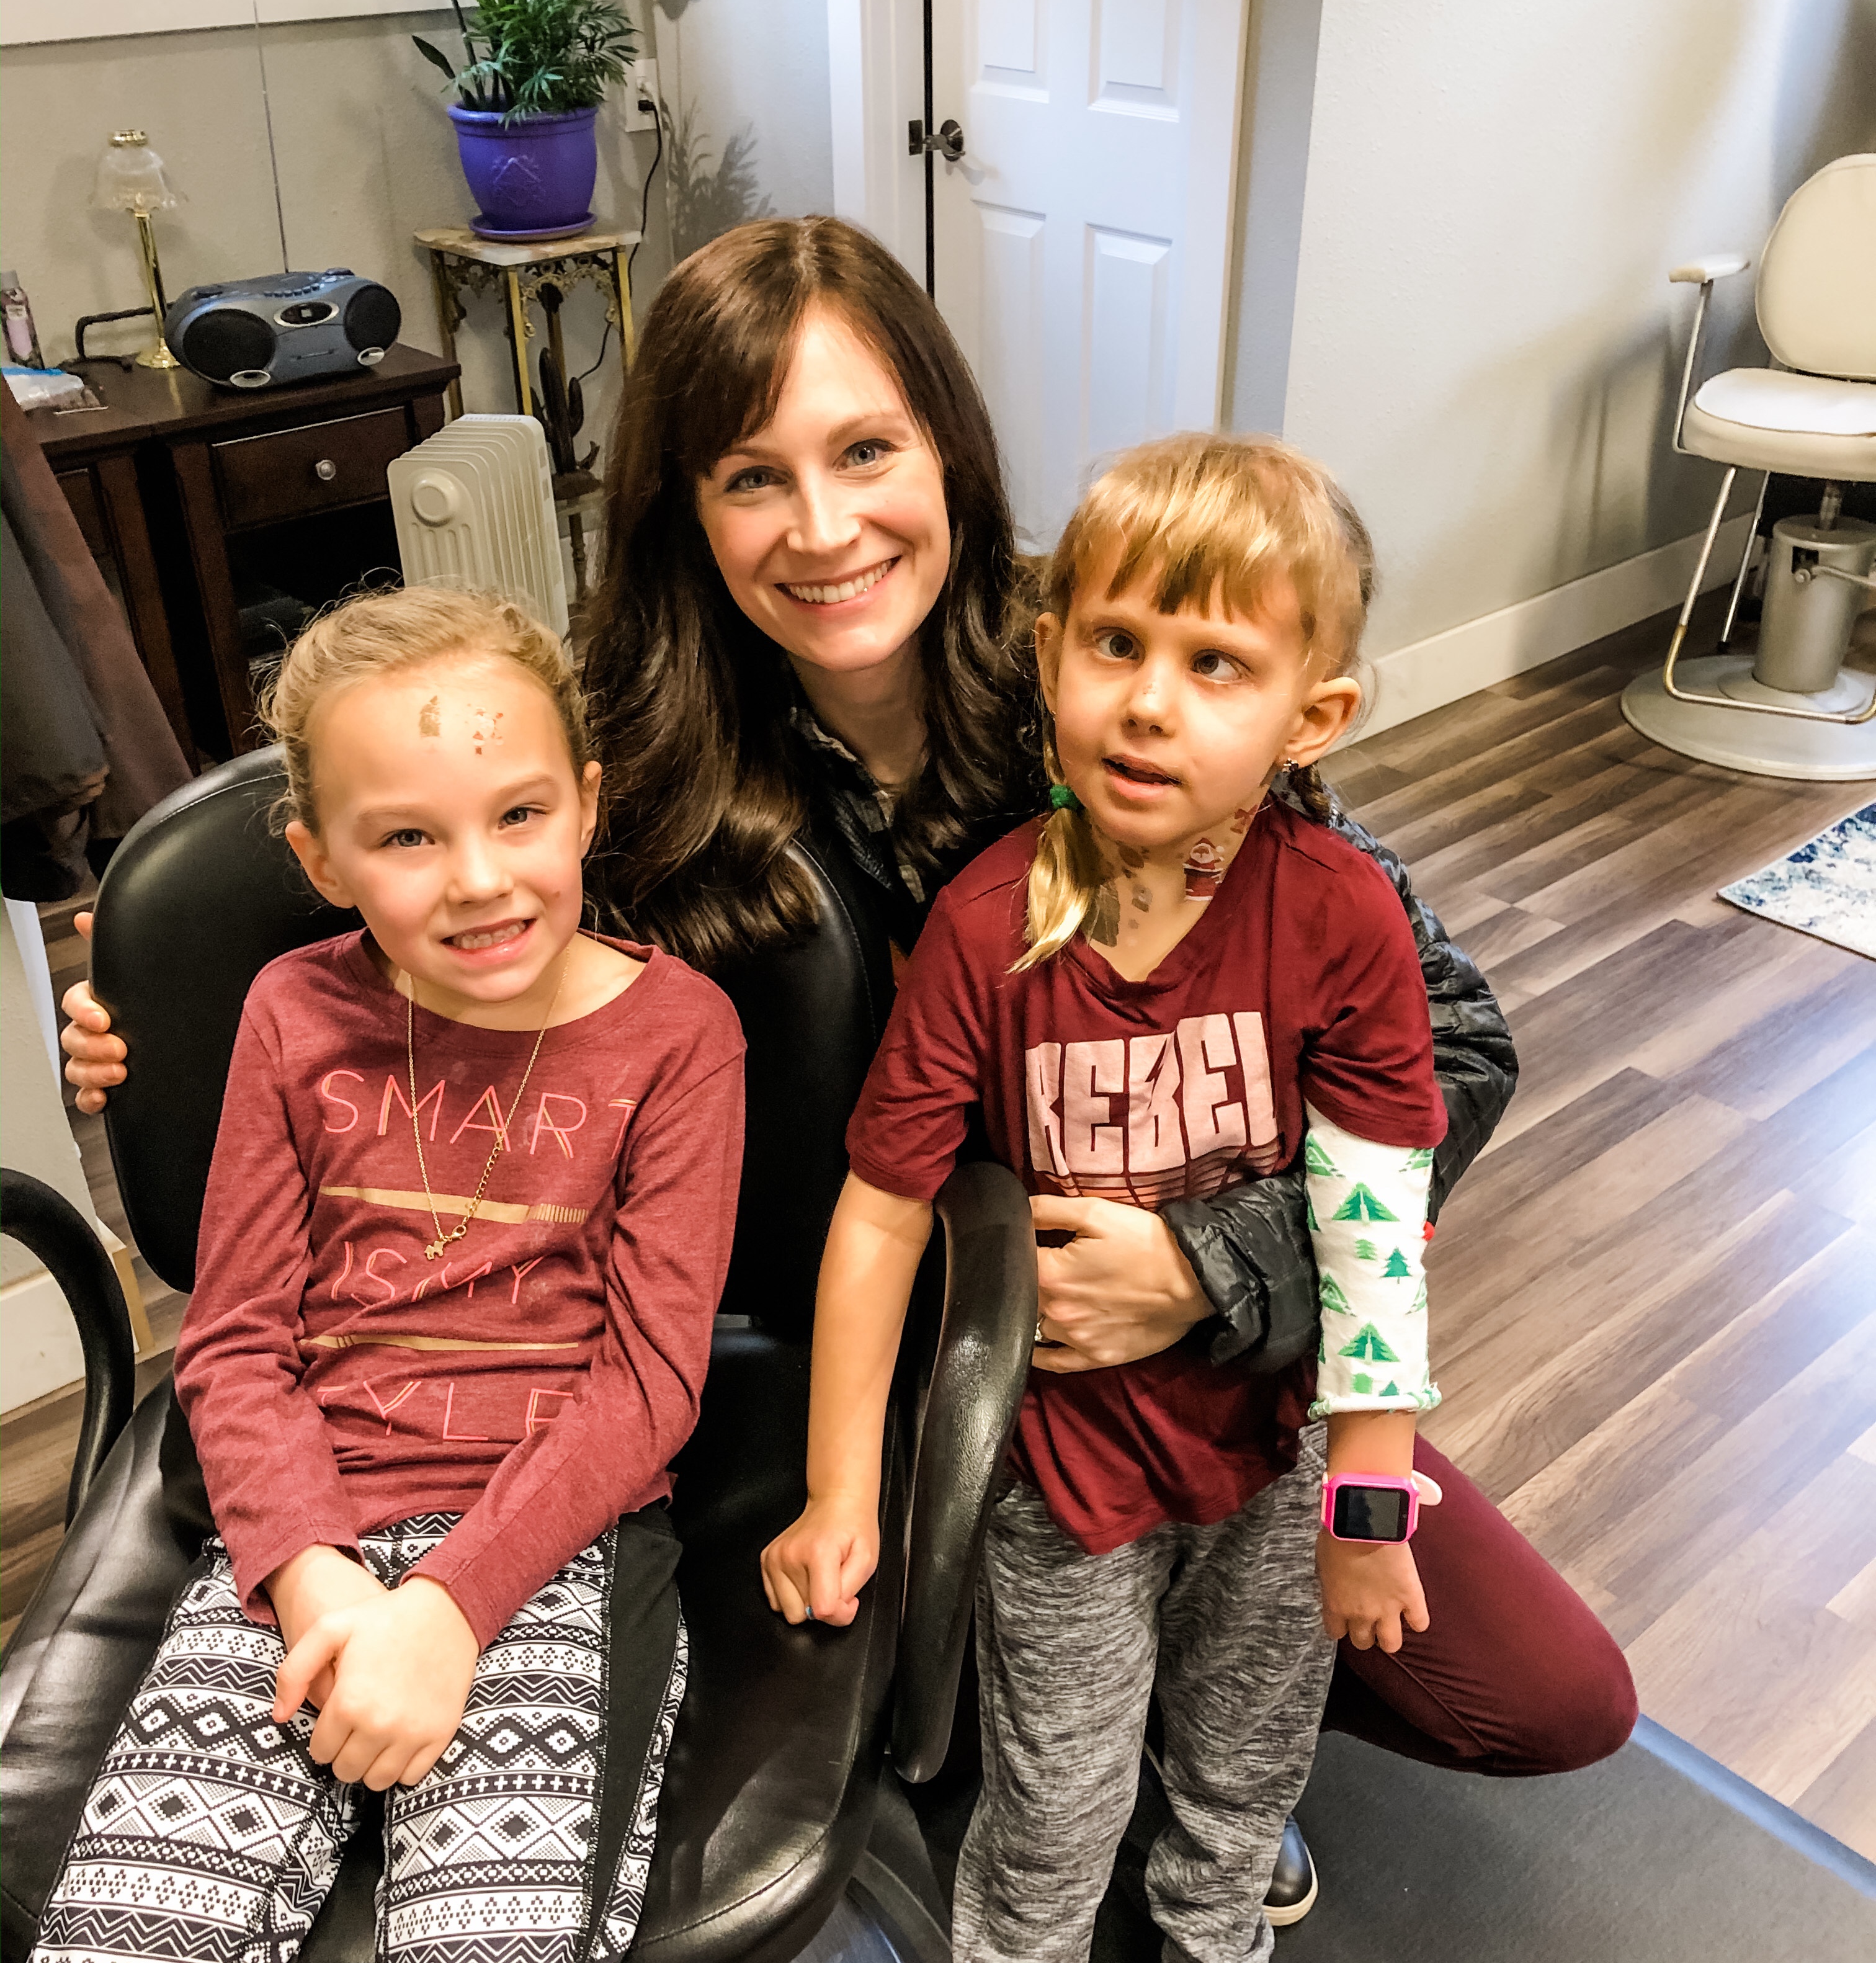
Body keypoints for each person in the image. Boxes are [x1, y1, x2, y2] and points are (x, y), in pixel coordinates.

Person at [58, 215, 1633, 1830]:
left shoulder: (1126, 672)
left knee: (1546, 1696)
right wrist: (171, 1013)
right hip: (852, 1372)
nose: (823, 527)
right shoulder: (639, 760)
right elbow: (419, 836)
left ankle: (1174, 1677)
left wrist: (1209, 1269)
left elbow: (1452, 1046)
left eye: (866, 449)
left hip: (1191, 1351)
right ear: (687, 509)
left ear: (947, 448)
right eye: (752, 477)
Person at [763, 434, 1450, 1963]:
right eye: (1118, 644)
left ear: (1312, 710)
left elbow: (1378, 1215)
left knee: (1240, 1775)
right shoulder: (986, 925)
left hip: (1271, 1466)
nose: (1153, 700)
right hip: (1063, 1486)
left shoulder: (1341, 922)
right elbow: (881, 1206)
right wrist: (842, 1491)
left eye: (1217, 666)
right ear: (1049, 656)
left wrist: (1376, 1502)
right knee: (1049, 1819)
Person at [4, 587, 745, 1963]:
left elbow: (649, 1382)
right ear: (320, 853)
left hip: (546, 1551)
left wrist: (447, 1606)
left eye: (516, 818)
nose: (478, 879)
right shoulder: (290, 1012)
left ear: (585, 802)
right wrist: (329, 1584)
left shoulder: (681, 1037)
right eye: (405, 837)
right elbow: (237, 1342)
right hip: (297, 1544)